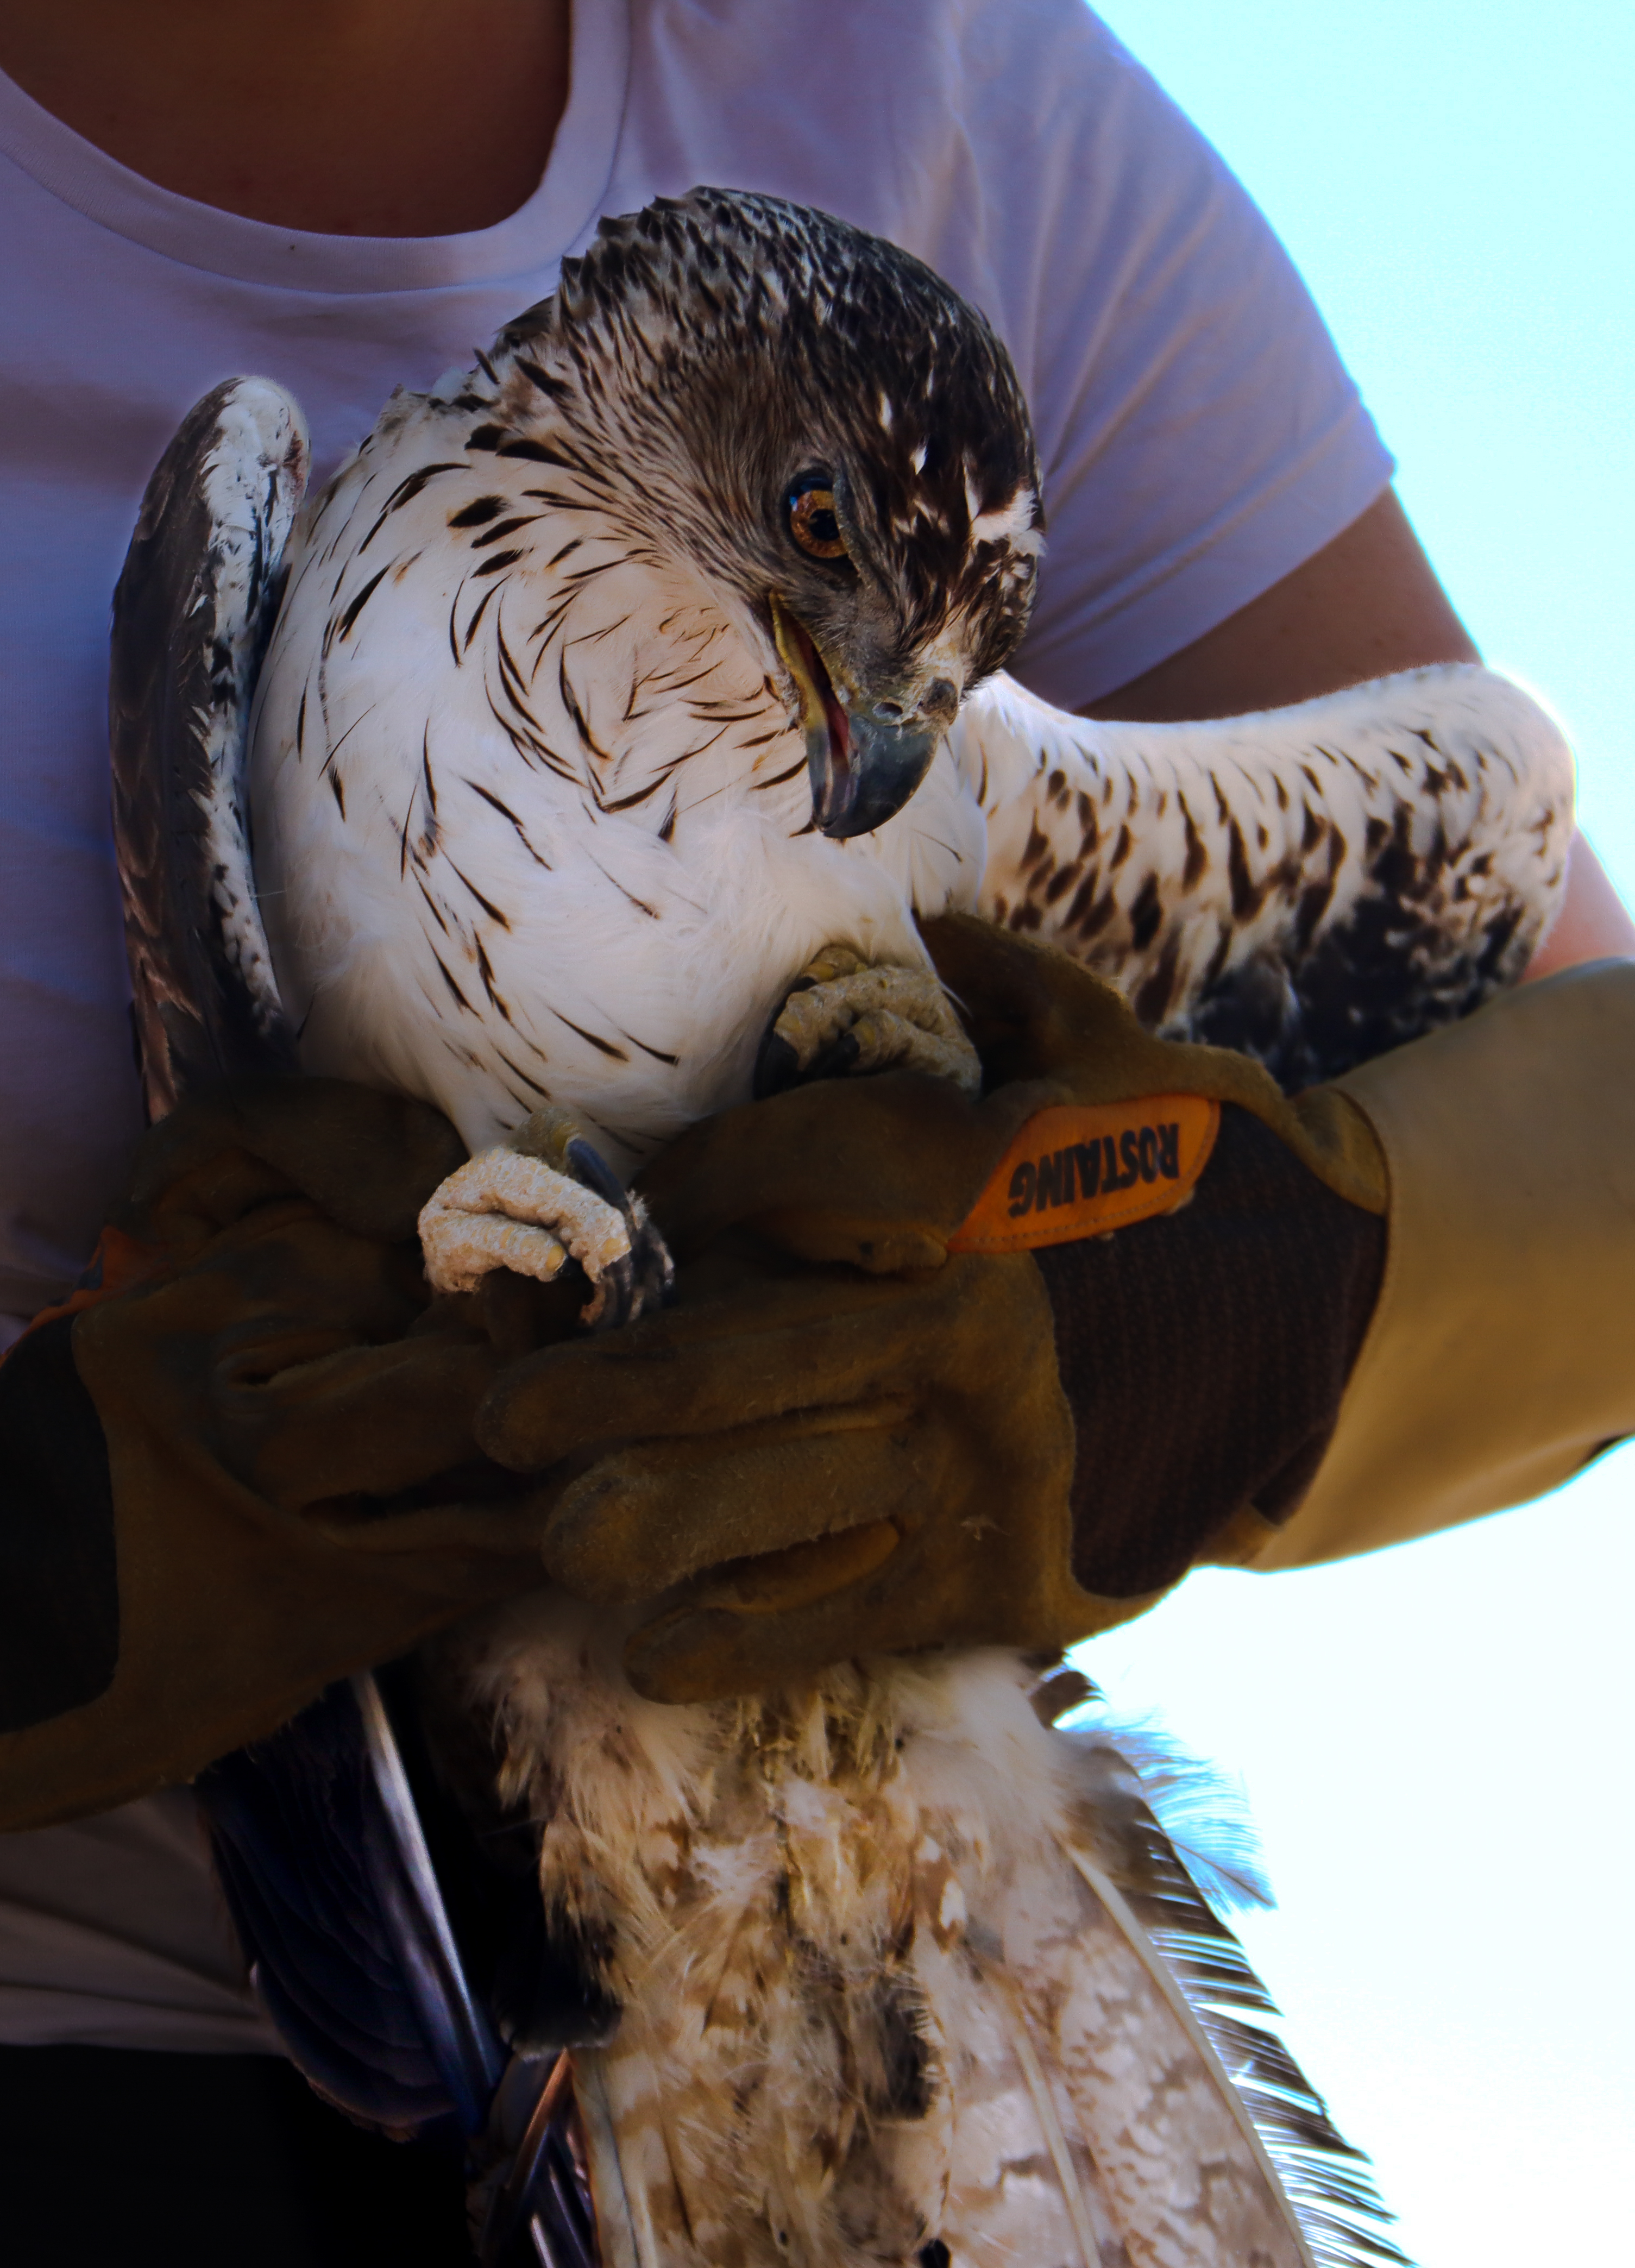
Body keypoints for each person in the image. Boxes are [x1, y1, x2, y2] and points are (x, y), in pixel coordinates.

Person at [1, 1, 1632, 2260]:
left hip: (887, 1921)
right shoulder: (281, 522)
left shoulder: (938, 93)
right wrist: (61, 1555)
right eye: (816, 539)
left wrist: (1196, 1320)